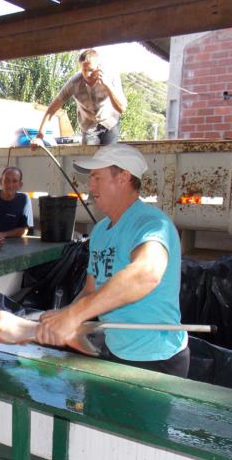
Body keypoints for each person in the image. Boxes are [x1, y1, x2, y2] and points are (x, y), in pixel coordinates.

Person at [36, 144, 189, 377]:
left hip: (157, 359)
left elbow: (146, 274)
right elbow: (90, 289)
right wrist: (65, 316)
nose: (91, 186)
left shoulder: (152, 224)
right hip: (116, 350)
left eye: (97, 177)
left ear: (123, 178)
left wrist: (73, 316)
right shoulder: (99, 231)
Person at [35, 49, 127, 146]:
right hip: (89, 128)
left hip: (110, 124)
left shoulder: (111, 78)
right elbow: (52, 109)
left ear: (98, 67)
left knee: (110, 158)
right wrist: (39, 136)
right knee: (88, 158)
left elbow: (122, 108)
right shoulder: (74, 83)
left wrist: (107, 86)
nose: (87, 74)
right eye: (84, 70)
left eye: (91, 70)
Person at [0, 166, 34, 239]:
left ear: (20, 185)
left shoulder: (24, 199)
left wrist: (4, 234)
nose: (10, 185)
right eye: (7, 180)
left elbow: (24, 230)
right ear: (0, 181)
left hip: (11, 245)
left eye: (15, 181)